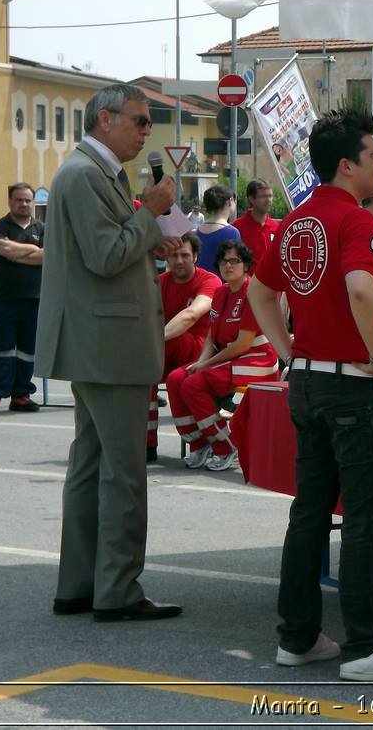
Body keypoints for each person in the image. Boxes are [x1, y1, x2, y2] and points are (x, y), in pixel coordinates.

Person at [247, 105, 373, 681]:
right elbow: (360, 289)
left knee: (310, 513)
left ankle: (297, 637)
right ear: (348, 165)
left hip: (306, 380)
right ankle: (365, 647)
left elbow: (259, 290)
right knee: (365, 519)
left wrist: (287, 350)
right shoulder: (355, 221)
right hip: (351, 386)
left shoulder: (298, 219)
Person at [39, 83, 183, 622]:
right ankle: (117, 590)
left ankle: (80, 584)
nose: (146, 132)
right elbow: (105, 256)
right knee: (122, 473)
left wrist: (150, 233)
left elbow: (114, 246)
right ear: (106, 120)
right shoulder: (84, 174)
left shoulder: (93, 173)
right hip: (109, 344)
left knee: (92, 465)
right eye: (140, 121)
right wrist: (151, 211)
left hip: (101, 342)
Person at [167, 239, 277, 472]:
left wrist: (206, 364)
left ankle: (226, 446)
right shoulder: (220, 292)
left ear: (246, 265)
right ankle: (199, 443)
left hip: (257, 358)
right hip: (229, 358)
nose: (228, 266)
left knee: (193, 384)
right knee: (177, 379)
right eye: (224, 261)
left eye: (235, 261)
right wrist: (200, 361)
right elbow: (211, 336)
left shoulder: (252, 292)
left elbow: (242, 344)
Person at [147, 233, 220, 462]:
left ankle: (199, 442)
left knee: (172, 343)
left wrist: (151, 341)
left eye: (185, 255)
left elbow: (190, 315)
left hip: (199, 353)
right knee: (141, 372)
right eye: (174, 255)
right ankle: (145, 444)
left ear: (196, 257)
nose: (179, 260)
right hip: (167, 351)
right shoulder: (159, 282)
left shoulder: (210, 281)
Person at [0, 182, 43, 416]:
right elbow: (4, 249)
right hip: (6, 300)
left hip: (35, 300)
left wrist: (18, 254)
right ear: (10, 201)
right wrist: (32, 250)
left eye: (28, 200)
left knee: (28, 351)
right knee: (2, 349)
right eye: (19, 200)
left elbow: (47, 257)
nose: (24, 204)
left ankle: (21, 395)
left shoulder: (42, 228)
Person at [231, 178, 280, 267]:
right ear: (251, 199)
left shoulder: (277, 227)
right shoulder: (236, 229)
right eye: (263, 196)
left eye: (270, 196)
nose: (268, 200)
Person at [196, 184, 240, 276]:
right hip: (221, 285)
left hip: (199, 283)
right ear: (230, 201)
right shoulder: (232, 232)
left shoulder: (197, 231)